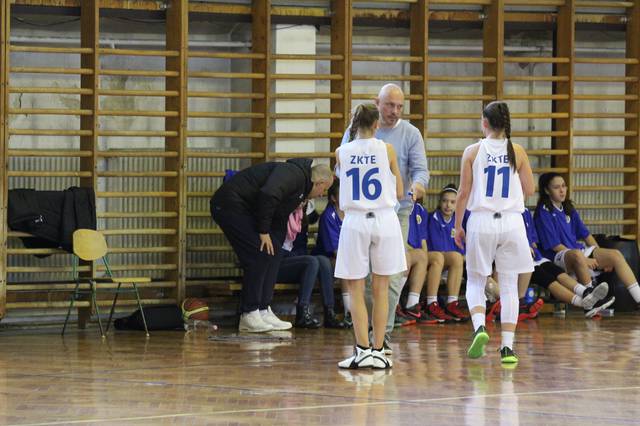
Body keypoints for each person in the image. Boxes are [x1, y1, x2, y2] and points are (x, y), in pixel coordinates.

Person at [341, 83, 429, 354]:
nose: (395, 111)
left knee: (387, 278)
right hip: (379, 212)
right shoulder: (375, 144)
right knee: (369, 280)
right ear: (376, 105)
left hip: (395, 212)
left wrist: (418, 187)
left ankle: (379, 336)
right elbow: (398, 187)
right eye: (390, 105)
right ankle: (372, 339)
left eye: (400, 106)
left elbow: (421, 171)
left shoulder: (410, 133)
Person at [210, 158, 333, 333]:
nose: (322, 194)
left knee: (272, 252)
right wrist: (263, 231)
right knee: (258, 253)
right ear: (318, 183)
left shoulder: (301, 190)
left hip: (247, 210)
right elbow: (268, 194)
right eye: (324, 190)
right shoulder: (294, 175)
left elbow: (279, 218)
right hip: (230, 204)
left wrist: (275, 242)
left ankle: (263, 309)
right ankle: (249, 313)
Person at [454, 100, 534, 365]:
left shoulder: (473, 151)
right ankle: (507, 349)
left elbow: (463, 193)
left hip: (482, 221)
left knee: (476, 281)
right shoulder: (517, 151)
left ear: (484, 122)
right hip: (512, 222)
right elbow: (530, 189)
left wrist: (457, 226)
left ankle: (479, 326)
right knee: (509, 286)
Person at [336, 103, 407, 369]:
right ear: (377, 124)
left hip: (355, 220)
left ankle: (362, 350)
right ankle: (379, 351)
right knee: (381, 288)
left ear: (353, 124)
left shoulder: (341, 152)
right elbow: (399, 191)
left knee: (355, 288)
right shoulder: (387, 149)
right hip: (384, 219)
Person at [534, 172, 640, 307]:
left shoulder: (568, 208)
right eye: (556, 187)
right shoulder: (543, 212)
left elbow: (586, 235)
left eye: (564, 186)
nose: (562, 190)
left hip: (575, 251)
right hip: (556, 256)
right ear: (546, 190)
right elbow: (555, 246)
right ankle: (593, 302)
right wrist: (584, 260)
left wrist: (601, 257)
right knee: (577, 255)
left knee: (615, 255)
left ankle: (638, 298)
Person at [277, 201, 347, 329]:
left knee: (323, 261)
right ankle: (302, 313)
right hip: (277, 263)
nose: (303, 203)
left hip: (294, 260)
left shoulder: (300, 215)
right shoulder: (281, 214)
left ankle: (329, 313)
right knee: (311, 261)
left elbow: (300, 247)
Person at [423, 184, 470, 322]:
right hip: (433, 260)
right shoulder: (432, 218)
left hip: (447, 262)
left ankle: (452, 303)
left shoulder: (458, 221)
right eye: (445, 201)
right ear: (439, 202)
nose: (448, 205)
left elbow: (462, 248)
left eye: (452, 202)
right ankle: (431, 303)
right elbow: (437, 248)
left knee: (457, 257)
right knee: (442, 256)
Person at [312, 178, 353, 326]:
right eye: (343, 194)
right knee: (346, 266)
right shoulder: (328, 216)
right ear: (334, 198)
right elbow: (336, 251)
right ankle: (349, 312)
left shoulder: (353, 215)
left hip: (347, 258)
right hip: (327, 260)